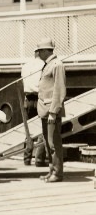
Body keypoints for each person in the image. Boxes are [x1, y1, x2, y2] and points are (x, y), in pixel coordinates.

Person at [35, 38, 67, 183]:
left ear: (47, 50)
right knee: (48, 144)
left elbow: (59, 90)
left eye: (40, 51)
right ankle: (51, 170)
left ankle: (57, 173)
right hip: (44, 111)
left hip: (51, 112)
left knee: (54, 143)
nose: (38, 54)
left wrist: (53, 112)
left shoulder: (57, 65)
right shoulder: (48, 65)